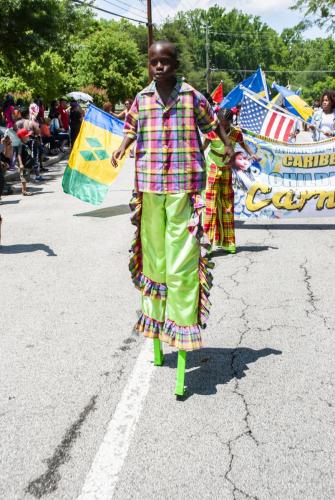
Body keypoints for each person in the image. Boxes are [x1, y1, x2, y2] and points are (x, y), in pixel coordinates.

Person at [111, 41, 233, 372]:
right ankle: (153, 323)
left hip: (184, 187)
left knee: (181, 262)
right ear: (149, 66)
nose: (159, 67)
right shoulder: (141, 99)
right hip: (149, 187)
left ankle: (182, 328)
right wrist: (121, 148)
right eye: (154, 62)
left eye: (165, 61)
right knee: (154, 259)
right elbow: (130, 128)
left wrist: (229, 148)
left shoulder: (192, 96)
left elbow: (213, 126)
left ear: (176, 65)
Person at [202, 108, 257, 253]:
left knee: (227, 204)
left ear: (231, 123)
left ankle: (228, 242)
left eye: (227, 125)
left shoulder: (235, 133)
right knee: (210, 206)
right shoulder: (212, 131)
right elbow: (203, 147)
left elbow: (243, 144)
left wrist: (252, 154)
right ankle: (206, 244)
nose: (224, 127)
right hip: (212, 167)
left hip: (226, 168)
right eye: (222, 124)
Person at [17, 128, 34, 196]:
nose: (28, 137)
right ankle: (24, 191)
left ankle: (24, 189)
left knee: (25, 177)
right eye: (27, 136)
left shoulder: (26, 144)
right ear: (22, 137)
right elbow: (19, 154)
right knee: (23, 177)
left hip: (27, 164)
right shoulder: (21, 145)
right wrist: (21, 164)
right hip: (23, 165)